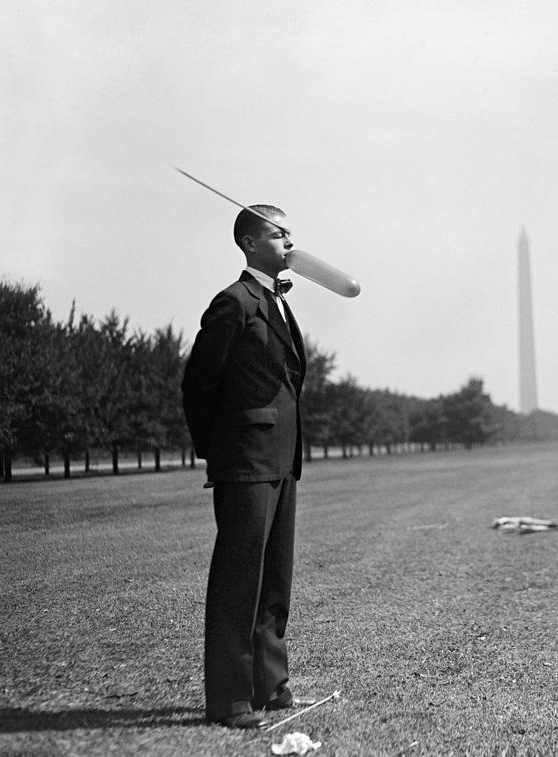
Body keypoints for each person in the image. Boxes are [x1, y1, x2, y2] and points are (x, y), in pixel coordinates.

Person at [182, 204, 307, 730]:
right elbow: (198, 383)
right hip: (245, 461)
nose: (290, 243)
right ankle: (231, 698)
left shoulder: (276, 301)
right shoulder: (233, 302)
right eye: (281, 235)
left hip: (280, 459)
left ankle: (269, 684)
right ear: (252, 243)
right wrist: (221, 450)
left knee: (274, 579)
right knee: (239, 580)